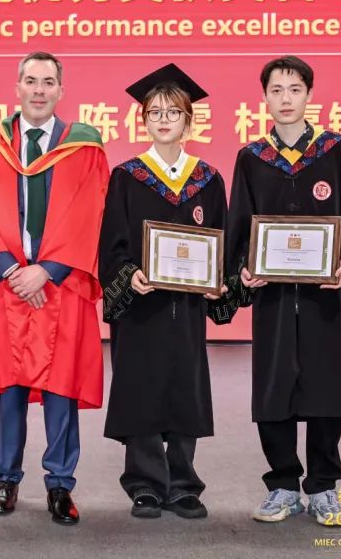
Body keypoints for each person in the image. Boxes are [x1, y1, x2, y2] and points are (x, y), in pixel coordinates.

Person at [225, 56, 341, 526]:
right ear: (264, 98)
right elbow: (240, 224)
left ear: (309, 95)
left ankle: (322, 486)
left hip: (326, 294)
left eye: (295, 89)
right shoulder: (252, 158)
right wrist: (243, 271)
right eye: (276, 90)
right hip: (274, 298)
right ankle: (281, 485)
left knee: (326, 385)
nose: (286, 99)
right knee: (273, 387)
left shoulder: (337, 150)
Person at [0, 51, 109, 525]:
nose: (39, 90)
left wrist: (47, 270)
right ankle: (6, 479)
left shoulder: (84, 146)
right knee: (9, 388)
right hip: (7, 285)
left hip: (59, 286)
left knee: (61, 387)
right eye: (31, 80)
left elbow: (91, 213)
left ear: (61, 90)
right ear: (17, 87)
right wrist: (10, 270)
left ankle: (60, 484)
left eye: (48, 82)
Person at [98, 63, 231, 520]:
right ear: (144, 120)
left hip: (187, 307)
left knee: (184, 386)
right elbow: (112, 244)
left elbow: (222, 242)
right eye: (154, 112)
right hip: (142, 307)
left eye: (173, 112)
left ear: (188, 120)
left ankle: (184, 484)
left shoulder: (207, 179)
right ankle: (145, 484)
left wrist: (218, 283)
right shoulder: (127, 176)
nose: (163, 120)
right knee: (142, 386)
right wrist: (129, 274)